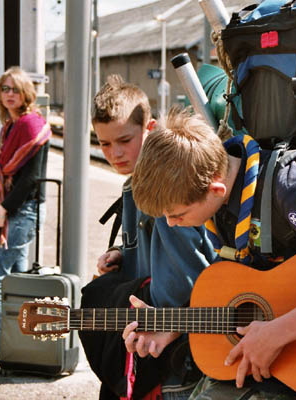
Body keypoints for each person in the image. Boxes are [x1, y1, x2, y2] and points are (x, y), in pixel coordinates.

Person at [129, 108, 296, 399]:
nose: (171, 224)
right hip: (285, 355)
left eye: (177, 214)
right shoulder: (225, 203)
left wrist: (276, 334)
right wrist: (174, 326)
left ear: (216, 189)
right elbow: (259, 293)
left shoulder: (293, 186)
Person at [83, 75, 218, 399]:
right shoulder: (133, 184)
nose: (114, 153)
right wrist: (121, 253)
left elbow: (182, 271)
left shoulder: (168, 191)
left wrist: (163, 325)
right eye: (103, 143)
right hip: (153, 331)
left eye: (124, 140)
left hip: (171, 346)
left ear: (151, 128)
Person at [0, 66, 51, 369]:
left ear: (26, 94)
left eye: (15, 89)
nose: (9, 94)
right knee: (17, 281)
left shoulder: (32, 125)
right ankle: (18, 346)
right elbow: (13, 170)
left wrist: (3, 209)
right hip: (15, 210)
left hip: (21, 211)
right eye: (5, 88)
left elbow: (30, 178)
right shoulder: (11, 126)